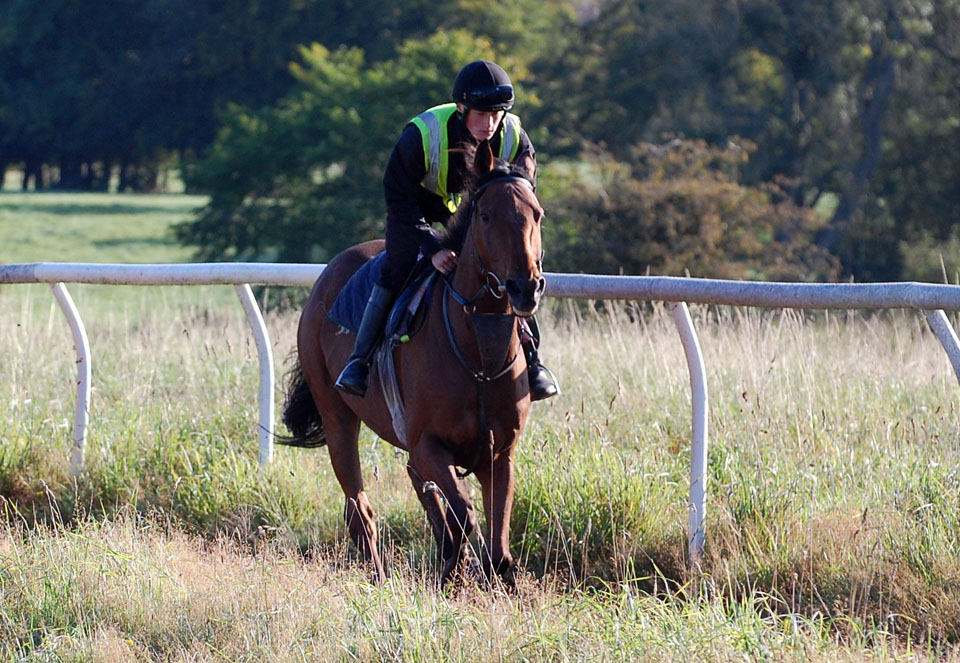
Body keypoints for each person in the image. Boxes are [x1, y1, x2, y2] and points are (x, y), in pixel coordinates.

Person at [335, 60, 559, 401]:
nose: (489, 124)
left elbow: (522, 197)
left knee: (511, 271)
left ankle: (533, 360)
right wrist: (432, 246)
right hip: (418, 205)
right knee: (398, 265)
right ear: (460, 108)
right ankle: (359, 361)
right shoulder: (421, 135)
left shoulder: (516, 136)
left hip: (480, 209)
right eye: (480, 114)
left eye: (496, 114)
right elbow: (397, 195)